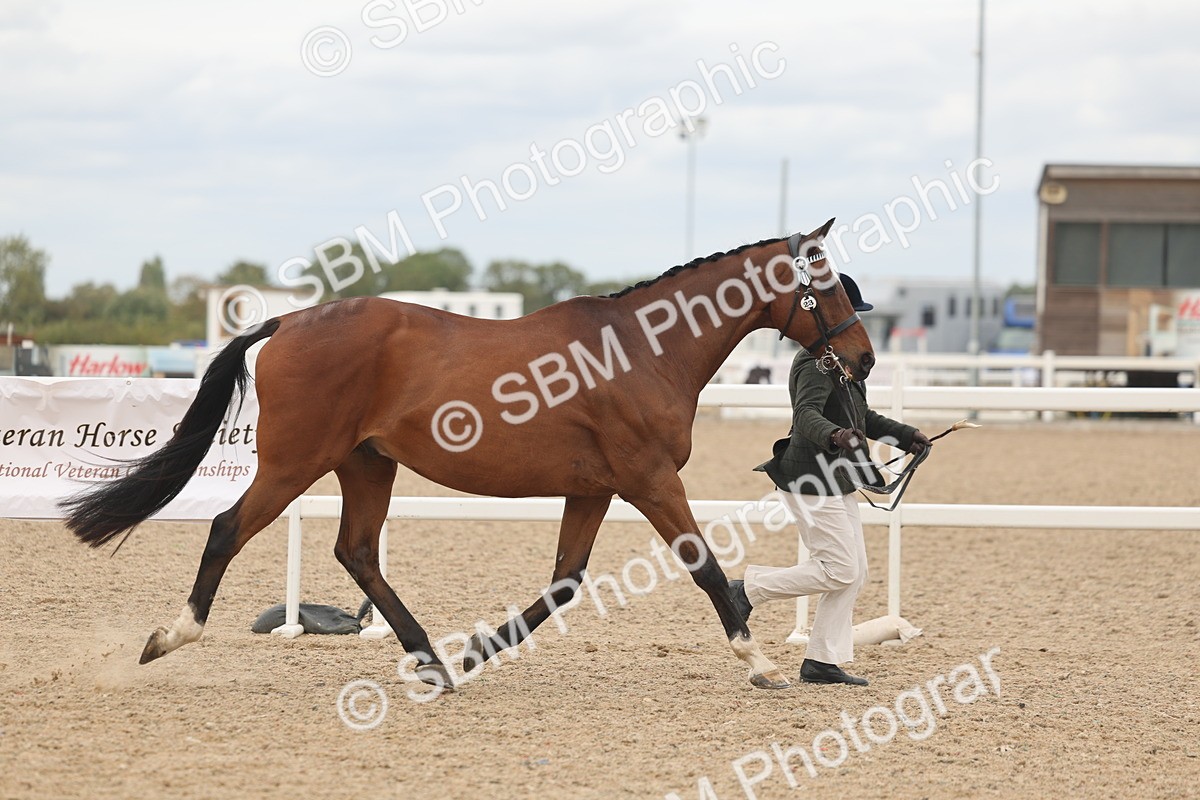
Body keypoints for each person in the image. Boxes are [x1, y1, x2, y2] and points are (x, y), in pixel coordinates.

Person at [729, 273, 931, 686]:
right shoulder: (814, 362)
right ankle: (748, 591)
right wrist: (835, 435)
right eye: (848, 317)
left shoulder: (844, 364)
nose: (854, 325)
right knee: (840, 569)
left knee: (854, 572)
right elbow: (805, 416)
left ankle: (821, 660)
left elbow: (864, 419)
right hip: (807, 478)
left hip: (835, 478)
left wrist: (905, 436)